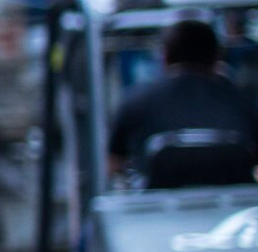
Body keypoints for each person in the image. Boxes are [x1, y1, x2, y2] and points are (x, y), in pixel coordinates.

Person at [108, 18, 258, 188]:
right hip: (233, 209)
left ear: (164, 56)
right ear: (218, 57)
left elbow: (114, 163)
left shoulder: (135, 100)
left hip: (153, 209)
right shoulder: (243, 102)